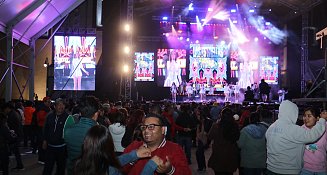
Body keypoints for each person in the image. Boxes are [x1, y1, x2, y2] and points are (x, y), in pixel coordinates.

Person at [265, 100, 327, 175]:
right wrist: (322, 120)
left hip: (270, 168)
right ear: (292, 113)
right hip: (288, 170)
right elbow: (312, 136)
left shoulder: (271, 127)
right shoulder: (292, 129)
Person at [74, 125, 160, 175]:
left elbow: (113, 162)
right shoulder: (110, 171)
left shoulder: (79, 163)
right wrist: (150, 167)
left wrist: (135, 155)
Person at [123, 113, 192, 175]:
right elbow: (118, 170)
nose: (146, 130)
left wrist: (170, 170)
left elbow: (186, 172)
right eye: (144, 127)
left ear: (163, 130)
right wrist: (132, 159)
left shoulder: (174, 149)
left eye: (151, 127)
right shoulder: (134, 146)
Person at [64, 96, 100, 175]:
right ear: (96, 114)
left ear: (80, 112)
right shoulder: (100, 133)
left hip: (72, 170)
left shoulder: (68, 131)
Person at [208, 107, 240, 175]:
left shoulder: (216, 126)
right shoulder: (235, 126)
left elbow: (210, 136)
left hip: (218, 154)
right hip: (231, 154)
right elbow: (237, 138)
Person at [42, 98, 68, 175]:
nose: (61, 106)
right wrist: (44, 140)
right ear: (55, 106)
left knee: (61, 168)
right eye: (59, 104)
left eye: (63, 104)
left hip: (62, 148)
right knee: (48, 168)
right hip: (50, 147)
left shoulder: (68, 117)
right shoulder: (49, 116)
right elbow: (45, 128)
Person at [300, 107, 327, 175]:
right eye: (304, 116)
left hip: (322, 168)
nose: (306, 119)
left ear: (317, 118)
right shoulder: (301, 130)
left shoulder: (324, 127)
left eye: (309, 116)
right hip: (305, 168)